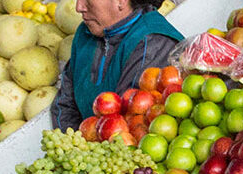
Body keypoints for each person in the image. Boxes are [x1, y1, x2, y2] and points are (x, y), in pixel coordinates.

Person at [51, 0, 181, 127]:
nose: (79, 7)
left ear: (121, 1)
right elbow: (64, 104)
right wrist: (74, 137)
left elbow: (128, 123)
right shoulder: (85, 34)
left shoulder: (151, 44)